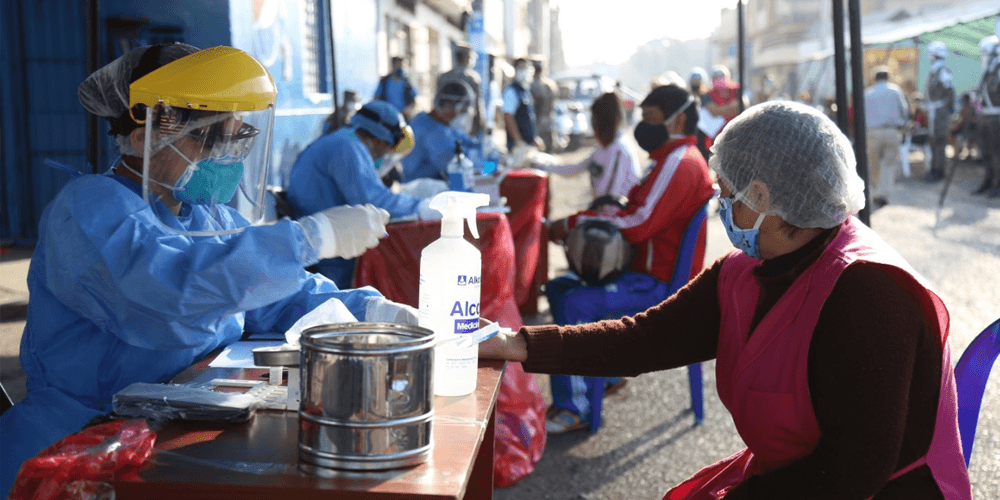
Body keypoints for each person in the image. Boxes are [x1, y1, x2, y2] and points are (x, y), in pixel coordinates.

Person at [480, 100, 973, 498]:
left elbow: (853, 470)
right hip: (790, 477)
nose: (722, 205)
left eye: (727, 193)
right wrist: (519, 344)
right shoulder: (746, 270)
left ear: (762, 196)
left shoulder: (869, 293)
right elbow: (644, 339)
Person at [0, 43, 419, 499]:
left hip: (172, 428)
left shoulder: (209, 217)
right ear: (143, 137)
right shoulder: (89, 209)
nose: (225, 157)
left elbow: (281, 296)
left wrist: (376, 313)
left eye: (235, 140)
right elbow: (168, 293)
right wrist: (307, 239)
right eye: (208, 139)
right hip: (72, 447)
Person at [542, 84, 715, 434]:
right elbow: (632, 211)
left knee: (574, 303)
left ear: (678, 120)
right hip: (642, 273)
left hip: (657, 284)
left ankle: (575, 407)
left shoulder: (679, 162)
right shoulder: (667, 159)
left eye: (651, 119)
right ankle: (602, 375)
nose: (644, 127)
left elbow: (638, 224)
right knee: (559, 289)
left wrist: (574, 223)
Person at [285, 100, 427, 288]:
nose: (385, 153)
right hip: (328, 254)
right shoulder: (348, 147)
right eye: (387, 146)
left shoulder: (341, 139)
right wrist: (422, 207)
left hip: (318, 239)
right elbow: (374, 201)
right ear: (379, 140)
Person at [543, 92, 641, 200]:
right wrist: (543, 166)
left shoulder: (619, 150)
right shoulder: (603, 148)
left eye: (594, 121)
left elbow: (611, 197)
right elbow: (576, 168)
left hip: (614, 208)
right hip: (604, 206)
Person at [401, 81, 480, 182]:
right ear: (448, 105)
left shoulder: (431, 121)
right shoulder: (432, 133)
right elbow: (458, 164)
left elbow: (467, 141)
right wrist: (483, 160)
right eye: (461, 111)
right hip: (422, 188)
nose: (460, 115)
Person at [864, 66, 910, 209]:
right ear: (888, 77)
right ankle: (883, 194)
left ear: (875, 78)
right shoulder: (895, 91)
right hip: (892, 131)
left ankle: (876, 192)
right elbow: (904, 110)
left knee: (874, 164)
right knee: (888, 164)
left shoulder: (868, 93)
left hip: (873, 132)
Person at [923, 40, 955, 183]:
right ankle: (933, 168)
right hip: (934, 112)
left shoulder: (943, 71)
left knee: (940, 141)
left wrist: (947, 111)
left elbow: (950, 93)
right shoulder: (934, 71)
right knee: (933, 141)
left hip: (940, 112)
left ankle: (939, 170)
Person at [436, 44, 484, 136]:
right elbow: (477, 104)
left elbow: (437, 102)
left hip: (445, 119)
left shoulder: (443, 77)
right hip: (464, 120)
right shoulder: (472, 78)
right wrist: (480, 124)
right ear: (468, 57)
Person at [974, 34, 1000, 197]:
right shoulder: (987, 72)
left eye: (986, 53)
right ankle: (988, 180)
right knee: (986, 152)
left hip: (997, 117)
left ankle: (998, 183)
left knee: (997, 153)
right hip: (985, 117)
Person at [503, 57, 538, 152]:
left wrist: (534, 139)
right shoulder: (511, 91)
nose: (524, 71)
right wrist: (518, 141)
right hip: (518, 146)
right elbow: (508, 116)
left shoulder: (526, 90)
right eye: (520, 68)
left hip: (528, 144)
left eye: (525, 68)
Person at [706, 65, 747, 129]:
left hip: (736, 127)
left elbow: (742, 105)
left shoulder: (736, 90)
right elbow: (713, 111)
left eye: (722, 78)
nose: (720, 81)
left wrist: (721, 110)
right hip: (718, 130)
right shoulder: (709, 94)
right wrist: (730, 107)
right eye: (717, 78)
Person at [530, 58, 558, 152]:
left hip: (538, 122)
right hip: (550, 120)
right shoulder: (551, 83)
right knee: (549, 150)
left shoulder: (534, 85)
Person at [688, 66, 713, 160]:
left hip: (704, 132)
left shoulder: (707, 97)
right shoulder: (688, 97)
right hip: (691, 132)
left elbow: (712, 111)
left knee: (704, 155)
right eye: (694, 84)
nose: (696, 87)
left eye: (698, 84)